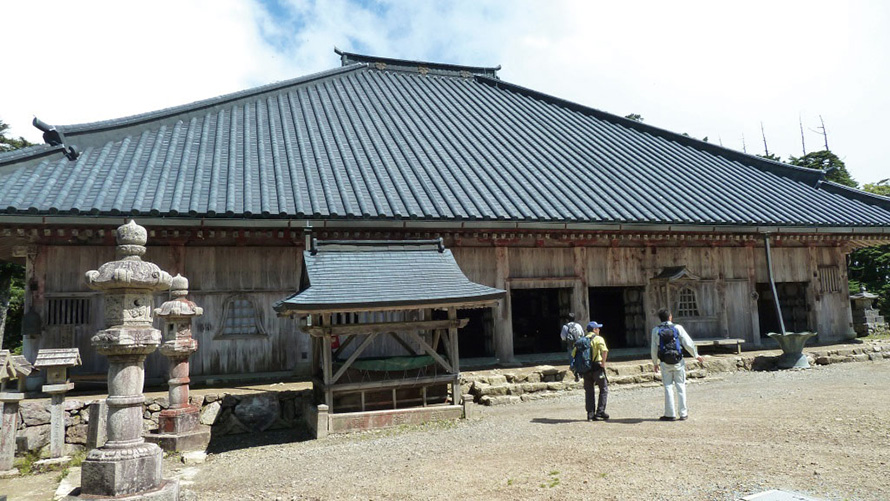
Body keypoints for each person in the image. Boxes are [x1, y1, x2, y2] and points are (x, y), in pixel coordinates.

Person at [651, 308, 704, 421]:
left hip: (665, 361)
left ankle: (670, 414)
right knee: (680, 386)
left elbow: (654, 348)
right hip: (678, 361)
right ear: (670, 317)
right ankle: (683, 413)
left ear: (660, 319)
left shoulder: (656, 330)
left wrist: (655, 363)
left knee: (668, 387)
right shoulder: (677, 328)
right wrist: (696, 355)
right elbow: (687, 342)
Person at [575, 321, 609, 421]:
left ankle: (590, 414)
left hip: (586, 369)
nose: (599, 330)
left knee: (589, 391)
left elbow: (574, 354)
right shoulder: (598, 339)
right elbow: (604, 351)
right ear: (594, 330)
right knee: (603, 389)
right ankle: (600, 412)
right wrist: (603, 363)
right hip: (597, 367)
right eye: (598, 328)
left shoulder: (582, 340)